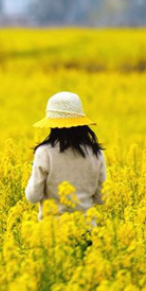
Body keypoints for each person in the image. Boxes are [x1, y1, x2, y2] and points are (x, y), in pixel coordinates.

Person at [25, 91, 106, 220]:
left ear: (52, 125)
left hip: (52, 231)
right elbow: (102, 199)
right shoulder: (96, 153)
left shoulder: (45, 152)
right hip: (87, 230)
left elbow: (33, 197)